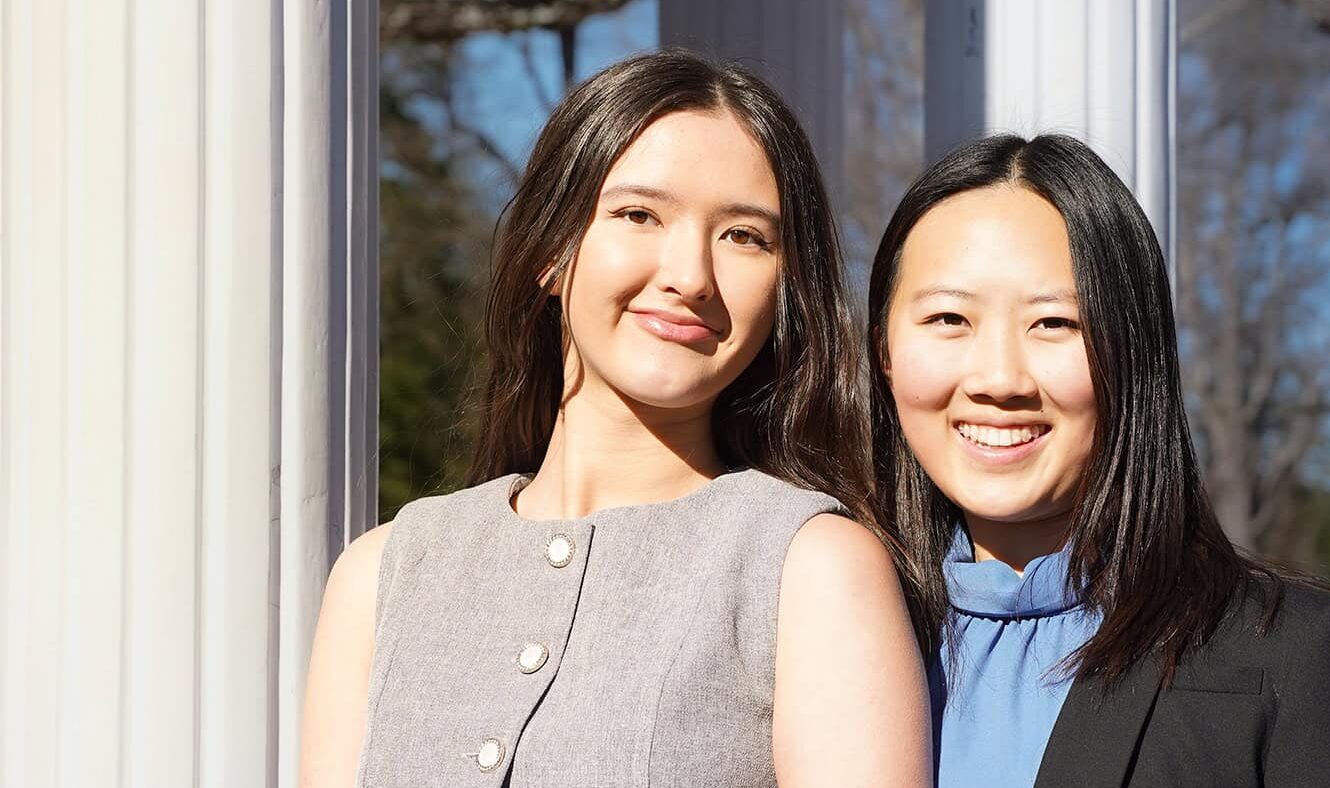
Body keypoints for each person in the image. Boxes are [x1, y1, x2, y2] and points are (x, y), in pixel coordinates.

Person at [300, 49, 931, 788]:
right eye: (638, 214)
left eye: (744, 236)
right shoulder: (385, 574)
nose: (690, 276)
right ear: (551, 249)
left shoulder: (812, 567)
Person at [866, 133, 1330, 788]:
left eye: (1055, 323)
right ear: (884, 350)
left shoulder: (1301, 661)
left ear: (1134, 353)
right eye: (948, 319)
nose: (998, 377)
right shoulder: (815, 642)